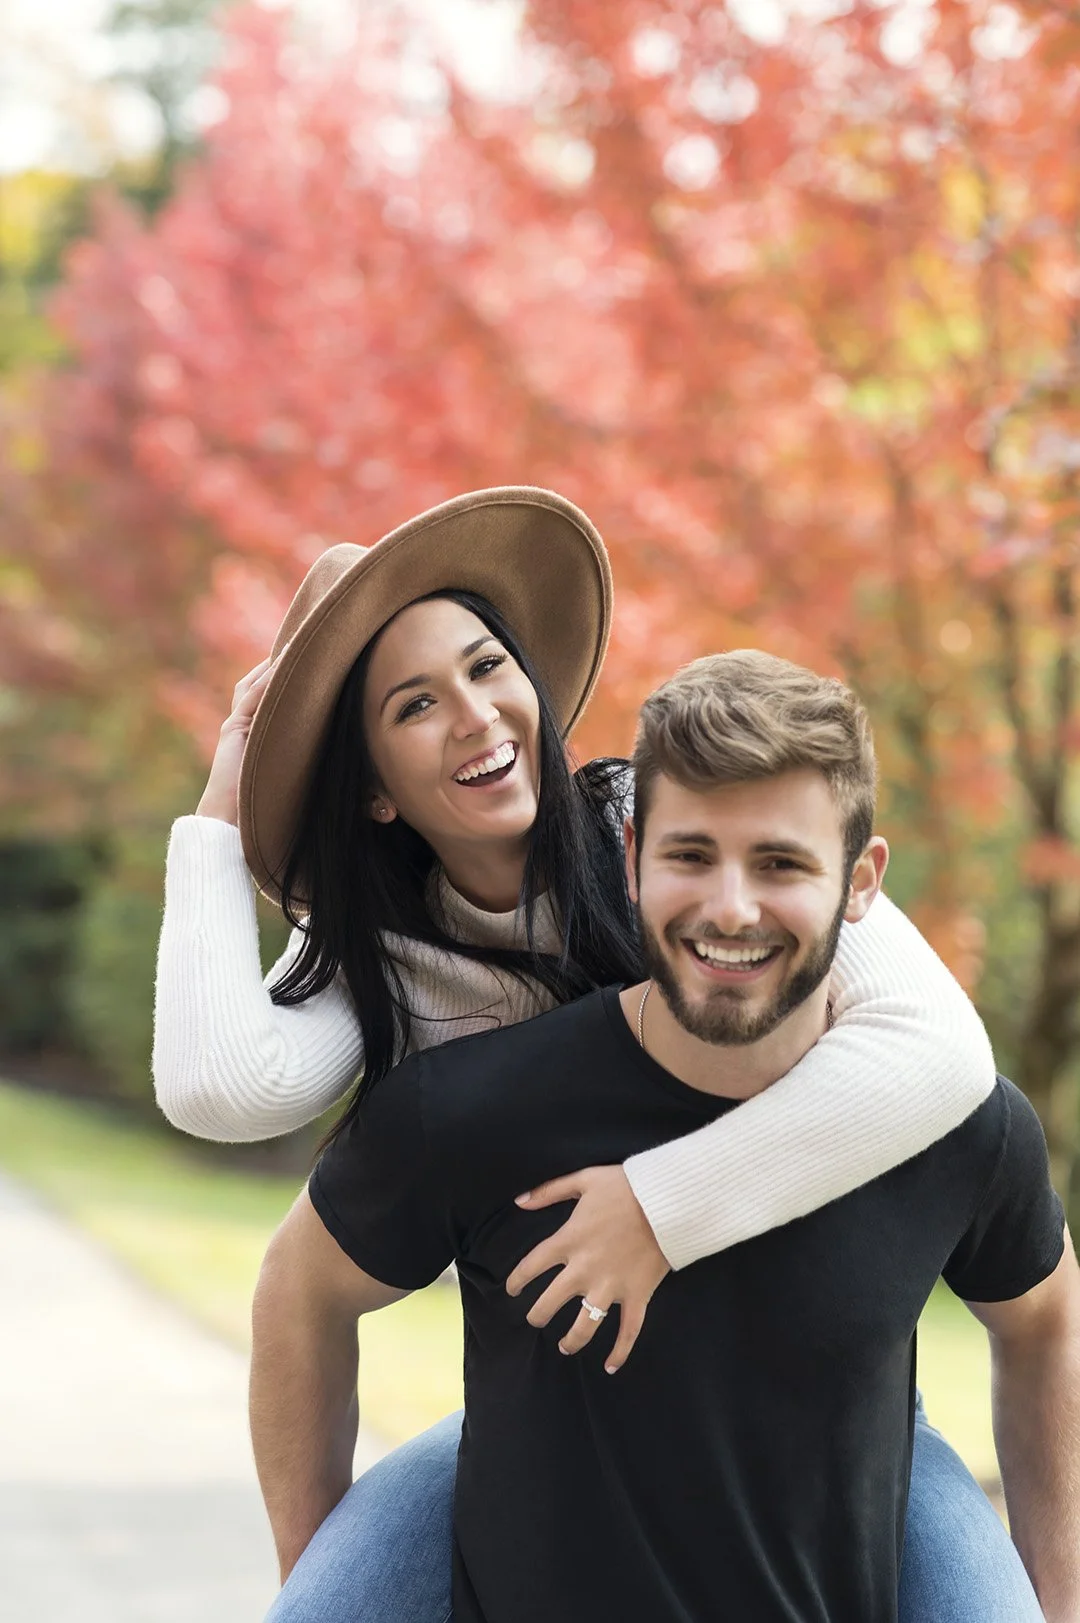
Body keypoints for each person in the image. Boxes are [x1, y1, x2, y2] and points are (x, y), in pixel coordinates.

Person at [152, 487, 1023, 1618]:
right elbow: (219, 1086)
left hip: (823, 1415)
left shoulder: (670, 842)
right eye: (415, 705)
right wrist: (228, 794)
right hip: (563, 1420)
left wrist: (658, 1206)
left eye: (486, 666)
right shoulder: (392, 964)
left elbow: (941, 1050)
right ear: (370, 789)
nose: (473, 716)